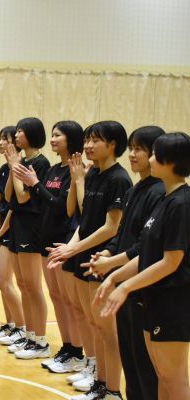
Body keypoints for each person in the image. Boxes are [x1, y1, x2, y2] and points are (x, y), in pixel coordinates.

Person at [96, 132, 190, 400]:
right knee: (162, 375)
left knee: (174, 378)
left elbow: (171, 262)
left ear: (171, 161)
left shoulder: (182, 203)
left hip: (173, 303)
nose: (149, 159)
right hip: (153, 300)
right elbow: (148, 255)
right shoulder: (166, 200)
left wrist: (125, 287)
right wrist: (114, 277)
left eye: (155, 154)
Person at [48, 121, 132, 399]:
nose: (87, 145)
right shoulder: (93, 172)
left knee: (107, 330)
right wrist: (70, 248)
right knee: (93, 323)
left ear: (113, 145)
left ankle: (112, 390)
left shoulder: (119, 179)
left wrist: (73, 249)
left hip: (104, 259)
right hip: (86, 255)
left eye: (95, 140)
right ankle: (99, 380)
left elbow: (111, 227)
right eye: (87, 140)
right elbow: (85, 218)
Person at [82, 126, 165, 400]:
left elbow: (146, 247)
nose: (132, 154)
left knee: (146, 365)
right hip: (125, 285)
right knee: (130, 359)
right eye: (131, 148)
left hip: (144, 288)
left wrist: (112, 265)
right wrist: (107, 255)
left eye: (139, 149)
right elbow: (121, 236)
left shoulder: (160, 193)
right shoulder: (134, 190)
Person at [13, 121, 85, 371]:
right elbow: (39, 201)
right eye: (52, 135)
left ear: (71, 139)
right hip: (45, 239)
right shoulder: (54, 169)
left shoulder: (76, 171)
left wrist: (35, 184)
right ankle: (67, 347)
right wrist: (32, 184)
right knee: (56, 296)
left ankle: (77, 352)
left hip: (63, 241)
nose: (52, 139)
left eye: (58, 135)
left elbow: (61, 207)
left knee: (68, 300)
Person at [3, 117, 51, 359]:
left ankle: (41, 341)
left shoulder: (41, 163)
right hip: (18, 225)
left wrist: (15, 166)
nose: (16, 136)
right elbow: (9, 195)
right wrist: (13, 166)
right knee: (22, 284)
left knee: (33, 285)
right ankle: (30, 335)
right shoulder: (21, 161)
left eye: (20, 131)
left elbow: (23, 197)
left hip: (32, 227)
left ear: (31, 134)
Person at [0, 126, 26, 344]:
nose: (1, 142)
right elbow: (0, 197)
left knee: (3, 279)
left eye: (5, 139)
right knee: (2, 281)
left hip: (11, 229)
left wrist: (2, 229)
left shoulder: (20, 167)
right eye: (0, 138)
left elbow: (14, 203)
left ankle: (21, 327)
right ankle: (10, 324)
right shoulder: (4, 168)